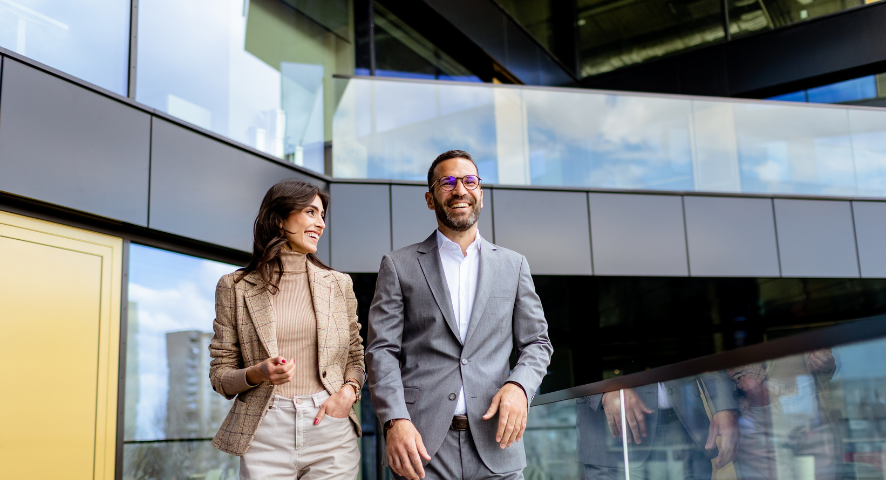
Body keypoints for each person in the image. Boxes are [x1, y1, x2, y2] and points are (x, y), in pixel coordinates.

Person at [366, 150, 554, 480]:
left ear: (480, 193)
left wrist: (520, 387)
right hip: (420, 449)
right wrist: (394, 420)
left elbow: (538, 343)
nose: (460, 190)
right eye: (447, 182)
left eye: (469, 181)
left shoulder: (514, 265)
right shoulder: (398, 265)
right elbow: (382, 351)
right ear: (430, 198)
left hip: (498, 445)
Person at [208, 178, 364, 479]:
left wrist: (349, 391)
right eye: (310, 212)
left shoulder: (338, 284)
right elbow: (220, 376)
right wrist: (258, 373)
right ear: (280, 220)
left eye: (322, 215)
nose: (320, 224)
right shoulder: (235, 287)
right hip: (266, 429)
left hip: (329, 425)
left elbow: (355, 356)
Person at [577, 372, 739, 480]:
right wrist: (604, 391)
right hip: (613, 434)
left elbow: (702, 337)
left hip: (683, 428)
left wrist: (724, 405)